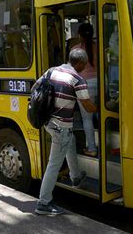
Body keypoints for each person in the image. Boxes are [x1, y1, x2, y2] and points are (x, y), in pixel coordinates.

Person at [34, 48, 98, 215]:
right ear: (80, 63)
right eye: (84, 65)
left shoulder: (52, 71)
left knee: (71, 141)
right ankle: (43, 203)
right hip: (61, 125)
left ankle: (76, 176)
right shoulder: (77, 79)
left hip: (48, 121)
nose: (84, 67)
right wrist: (103, 108)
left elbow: (35, 87)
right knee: (54, 164)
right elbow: (87, 106)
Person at [71, 23, 98, 157]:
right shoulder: (97, 47)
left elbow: (71, 70)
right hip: (98, 83)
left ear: (79, 35)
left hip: (84, 86)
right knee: (98, 114)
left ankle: (92, 148)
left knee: (87, 119)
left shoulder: (76, 50)